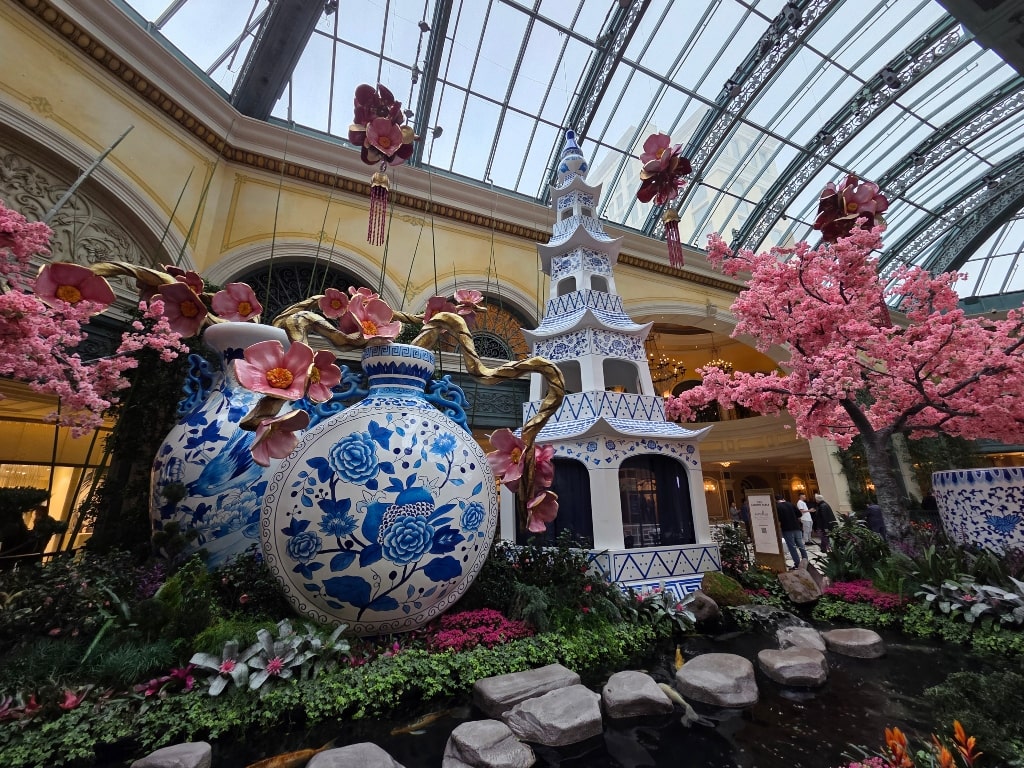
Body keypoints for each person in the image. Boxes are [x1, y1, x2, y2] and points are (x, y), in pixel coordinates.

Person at [776, 493, 807, 569]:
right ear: (783, 498)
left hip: (787, 529)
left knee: (792, 547)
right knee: (801, 545)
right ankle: (806, 562)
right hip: (796, 527)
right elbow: (799, 514)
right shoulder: (790, 504)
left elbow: (778, 518)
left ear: (776, 500)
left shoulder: (777, 507)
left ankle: (797, 564)